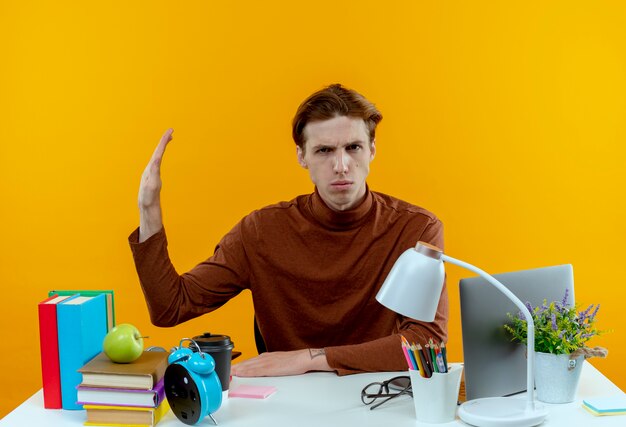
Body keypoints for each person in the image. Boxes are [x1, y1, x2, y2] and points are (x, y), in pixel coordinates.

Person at [129, 84, 448, 377]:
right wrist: (149, 209)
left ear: (372, 150)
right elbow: (171, 307)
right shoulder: (261, 231)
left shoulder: (416, 228)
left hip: (379, 394)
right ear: (302, 157)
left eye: (353, 147)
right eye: (324, 150)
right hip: (285, 400)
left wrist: (310, 358)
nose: (341, 165)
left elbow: (427, 342)